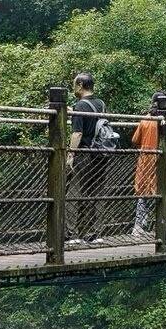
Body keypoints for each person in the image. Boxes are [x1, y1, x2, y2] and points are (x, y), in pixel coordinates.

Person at [69, 72, 115, 242]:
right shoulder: (100, 104)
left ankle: (73, 234)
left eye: (74, 84)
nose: (74, 88)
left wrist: (70, 154)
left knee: (74, 193)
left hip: (84, 153)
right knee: (96, 192)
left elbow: (77, 133)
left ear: (80, 85)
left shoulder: (80, 105)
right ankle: (95, 233)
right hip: (101, 153)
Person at [129, 108, 161, 239]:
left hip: (145, 160)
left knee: (142, 192)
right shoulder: (163, 121)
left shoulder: (145, 120)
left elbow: (135, 139)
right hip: (159, 160)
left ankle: (138, 226)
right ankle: (159, 226)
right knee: (160, 193)